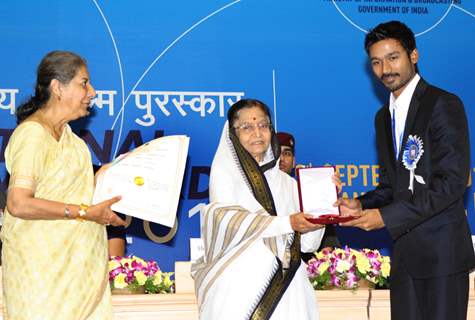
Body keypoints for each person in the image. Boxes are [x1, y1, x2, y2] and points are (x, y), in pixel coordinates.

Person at [338, 21, 475, 320]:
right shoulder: (382, 117)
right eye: (376, 62)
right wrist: (361, 204)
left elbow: (451, 184)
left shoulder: (443, 104)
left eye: (392, 57)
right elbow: (392, 185)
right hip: (404, 257)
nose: (385, 68)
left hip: (442, 257)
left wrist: (385, 217)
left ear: (413, 55)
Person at [2, 50, 126, 319]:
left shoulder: (75, 144)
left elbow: (74, 193)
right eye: (84, 83)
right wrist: (85, 212)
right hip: (40, 278)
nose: (92, 92)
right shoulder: (32, 135)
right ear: (57, 87)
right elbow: (18, 203)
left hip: (80, 279)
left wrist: (109, 178)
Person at [192, 99, 327, 320]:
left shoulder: (289, 184)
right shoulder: (225, 179)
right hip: (238, 294)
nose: (257, 133)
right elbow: (231, 222)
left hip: (289, 292)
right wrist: (288, 223)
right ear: (232, 134)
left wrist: (320, 199)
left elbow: (309, 244)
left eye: (263, 125)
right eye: (246, 127)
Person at [276, 131, 341, 260]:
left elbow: (325, 246)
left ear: (294, 161)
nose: (281, 159)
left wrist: (327, 198)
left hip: (304, 265)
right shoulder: (257, 193)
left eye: (286, 154)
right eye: (276, 153)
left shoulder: (307, 190)